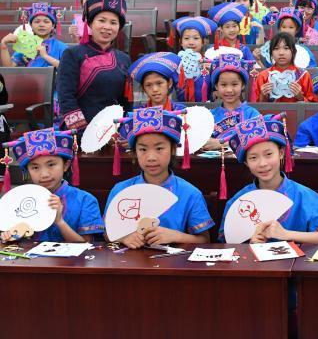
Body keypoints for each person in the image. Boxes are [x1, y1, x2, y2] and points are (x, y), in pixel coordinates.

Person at [218, 114, 318, 244]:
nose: (262, 163)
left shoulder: (305, 196)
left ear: (281, 153)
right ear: (246, 163)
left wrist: (286, 234)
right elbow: (226, 243)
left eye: (268, 154)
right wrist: (249, 244)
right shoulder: (238, 202)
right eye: (253, 158)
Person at [106, 107, 214, 248]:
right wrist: (123, 237)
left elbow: (205, 240)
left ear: (173, 149)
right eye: (143, 149)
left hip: (174, 261)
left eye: (159, 148)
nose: (151, 157)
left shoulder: (190, 193)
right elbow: (106, 232)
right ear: (134, 152)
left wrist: (175, 236)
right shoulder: (120, 190)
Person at [1, 128, 103, 242]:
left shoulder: (85, 200)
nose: (44, 174)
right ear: (27, 171)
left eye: (51, 165)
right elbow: (15, 242)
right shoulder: (18, 201)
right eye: (35, 167)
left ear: (66, 165)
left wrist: (60, 222)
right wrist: (9, 236)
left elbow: (87, 245)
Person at [57, 0, 131, 131]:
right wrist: (83, 131)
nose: (107, 27)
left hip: (112, 128)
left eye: (113, 22)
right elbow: (66, 98)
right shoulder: (72, 54)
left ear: (119, 27)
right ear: (90, 23)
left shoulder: (124, 59)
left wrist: (124, 128)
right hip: (80, 128)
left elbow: (126, 102)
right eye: (101, 20)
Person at [204, 54, 260, 149]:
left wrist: (222, 143)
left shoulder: (252, 114)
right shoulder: (210, 116)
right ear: (216, 86)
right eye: (224, 85)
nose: (229, 90)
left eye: (234, 84)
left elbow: (257, 140)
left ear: (242, 85)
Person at [250, 32, 315, 102]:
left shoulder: (304, 75)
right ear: (271, 53)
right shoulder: (263, 76)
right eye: (276, 48)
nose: (281, 53)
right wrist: (263, 96)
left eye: (286, 48)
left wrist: (301, 97)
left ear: (293, 52)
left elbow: (312, 104)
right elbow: (255, 105)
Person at [1, 3, 67, 68]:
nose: (41, 25)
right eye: (37, 22)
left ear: (53, 26)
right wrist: (3, 46)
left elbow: (67, 68)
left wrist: (45, 56)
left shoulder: (61, 47)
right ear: (31, 26)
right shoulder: (25, 45)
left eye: (46, 22)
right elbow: (9, 67)